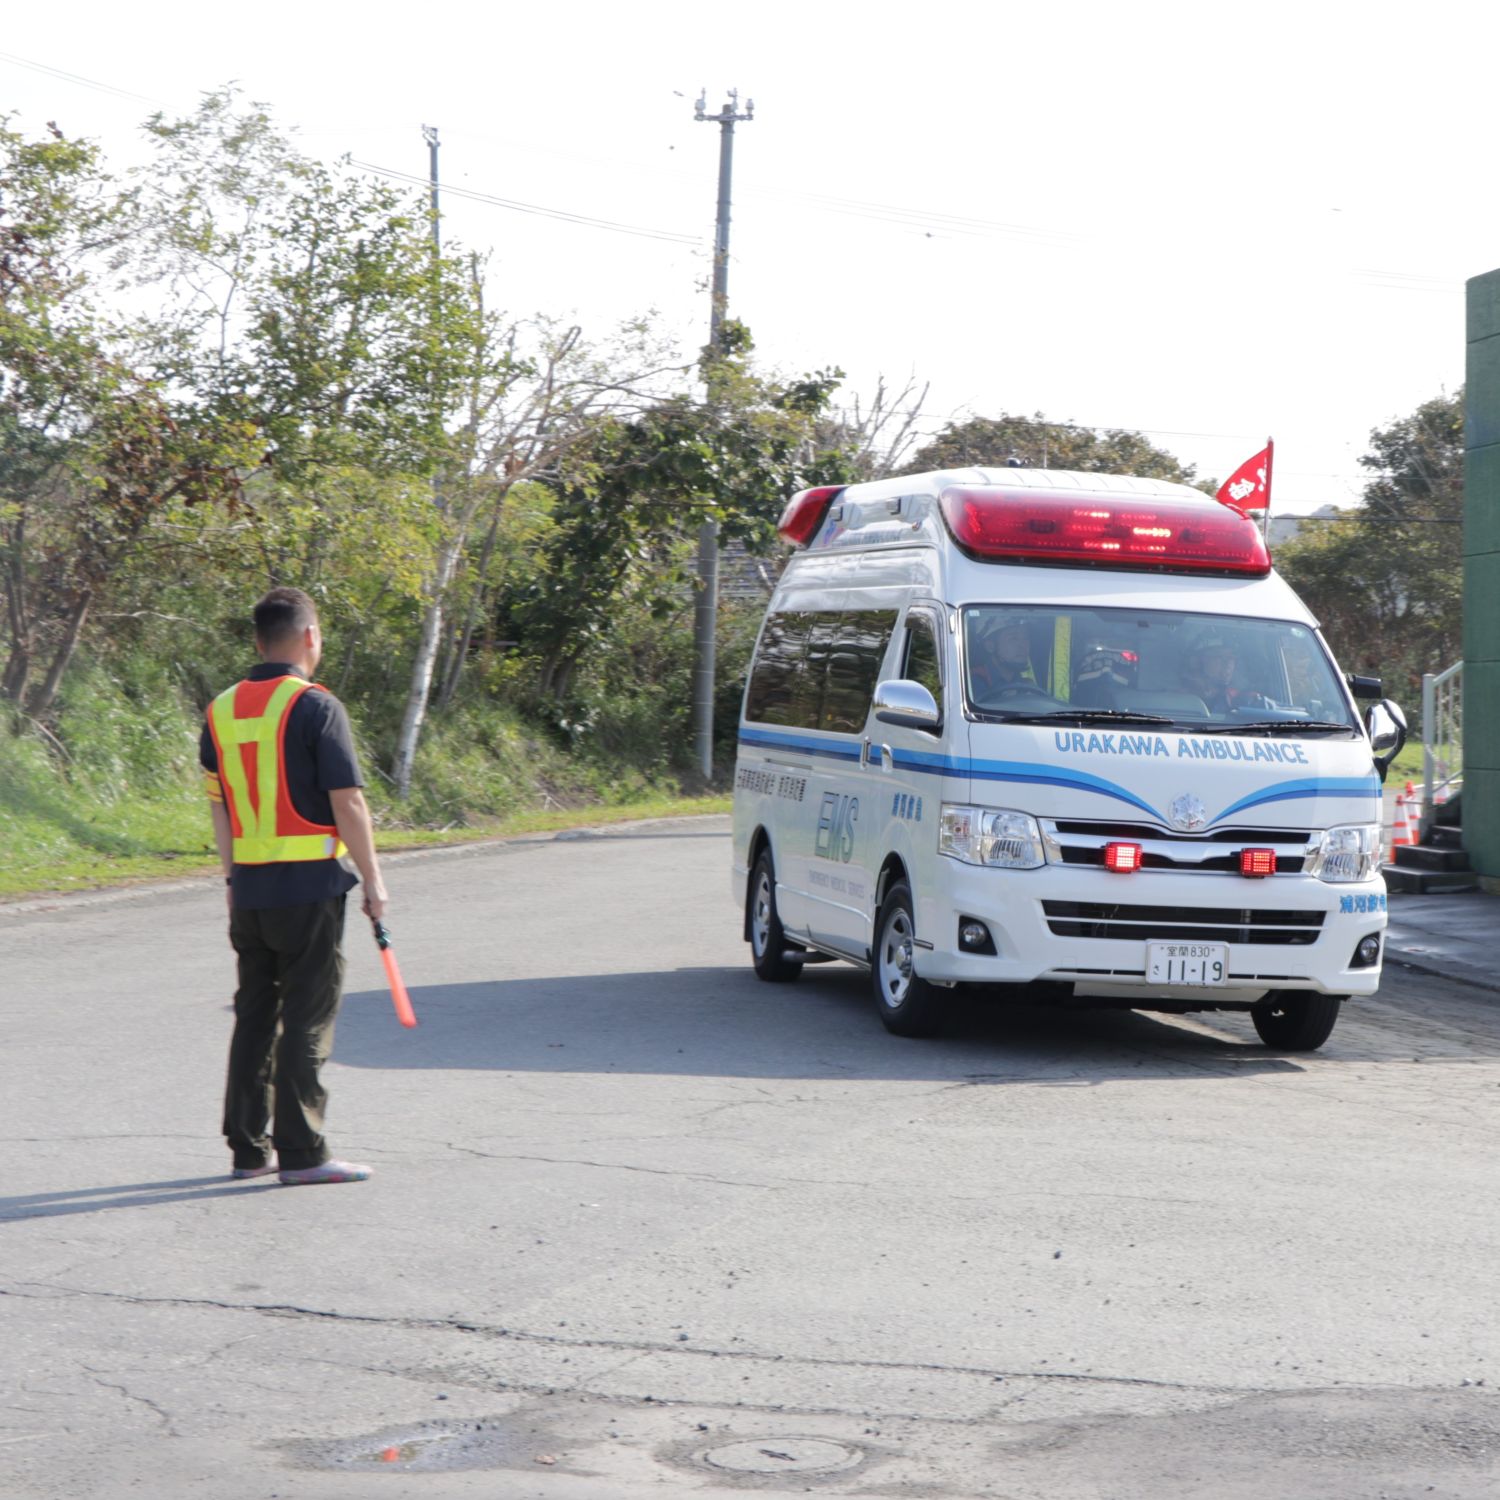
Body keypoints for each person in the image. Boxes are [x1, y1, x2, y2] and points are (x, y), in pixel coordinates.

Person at [201, 587, 388, 1186]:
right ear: (310, 637)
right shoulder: (315, 706)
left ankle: (248, 1150)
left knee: (255, 1016)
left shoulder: (221, 710)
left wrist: (232, 879)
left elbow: (221, 808)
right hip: (308, 890)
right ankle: (303, 1154)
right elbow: (349, 803)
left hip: (249, 892)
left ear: (258, 642)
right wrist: (375, 882)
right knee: (308, 1015)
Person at [1180, 631, 1264, 714]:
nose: (1228, 663)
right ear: (1197, 661)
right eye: (1220, 657)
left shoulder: (1240, 699)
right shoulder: (1178, 700)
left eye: (1231, 657)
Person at [968, 613, 1037, 701]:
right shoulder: (973, 683)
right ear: (990, 646)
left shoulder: (1027, 685)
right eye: (1013, 638)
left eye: (1026, 638)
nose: (1023, 645)